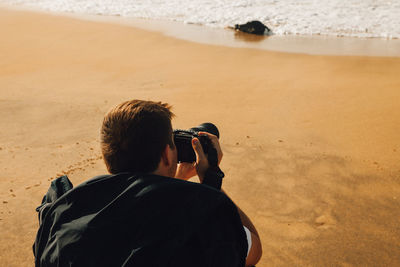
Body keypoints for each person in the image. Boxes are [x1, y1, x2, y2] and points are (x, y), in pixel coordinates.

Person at [33, 100, 262, 266]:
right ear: (166, 154)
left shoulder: (69, 210)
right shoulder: (200, 210)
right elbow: (251, 250)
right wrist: (210, 180)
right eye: (173, 143)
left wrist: (176, 183)